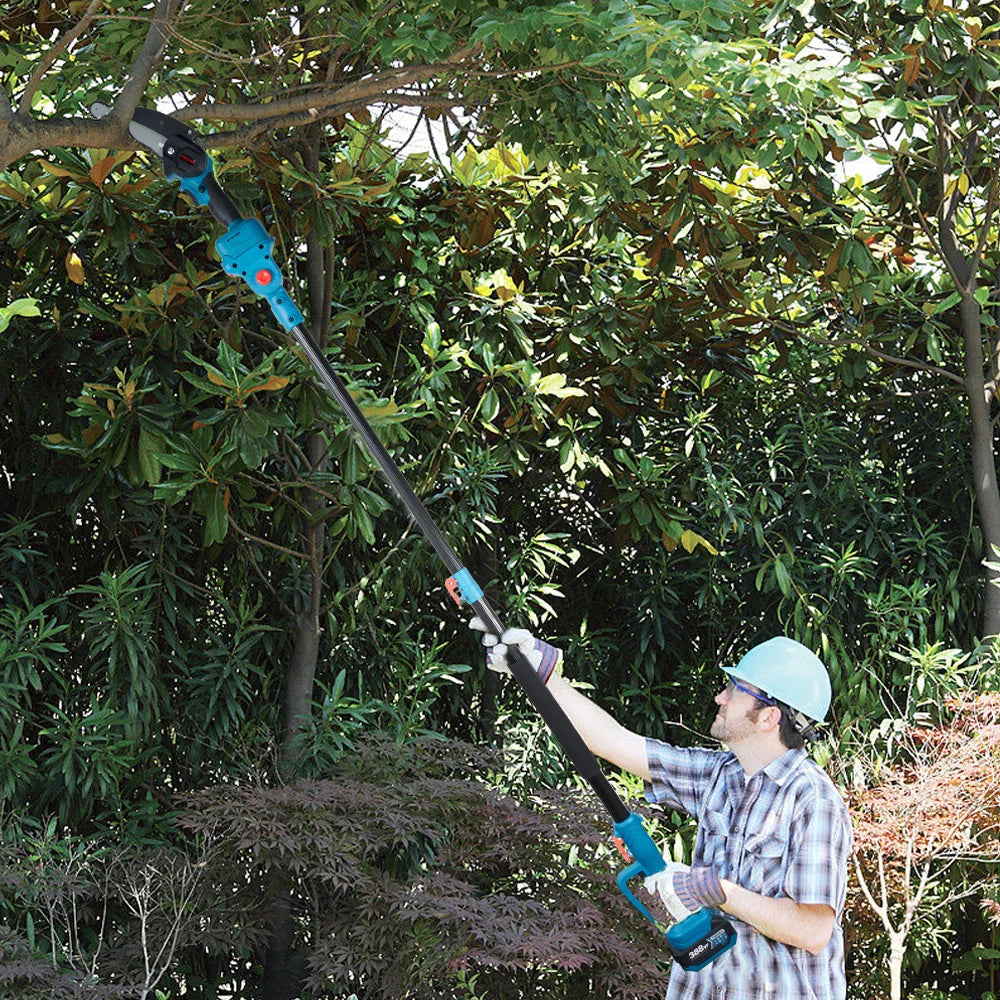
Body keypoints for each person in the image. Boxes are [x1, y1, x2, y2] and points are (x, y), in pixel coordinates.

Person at [470, 622, 852, 1000]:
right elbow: (613, 740)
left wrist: (717, 891)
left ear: (769, 717)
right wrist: (542, 675)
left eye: (735, 690)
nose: (721, 697)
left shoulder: (813, 801)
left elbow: (813, 931)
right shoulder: (718, 775)